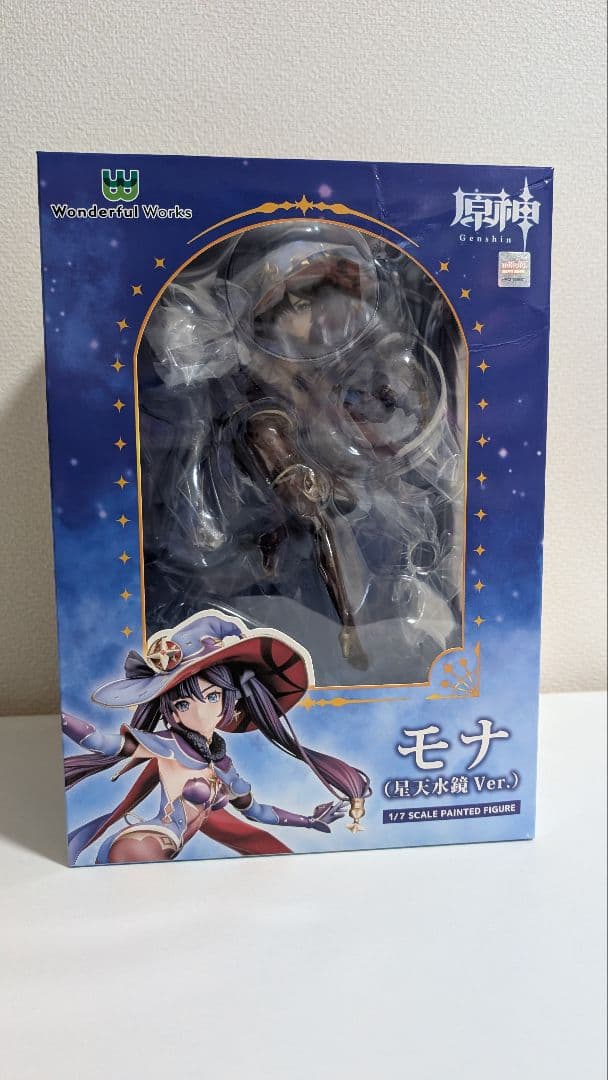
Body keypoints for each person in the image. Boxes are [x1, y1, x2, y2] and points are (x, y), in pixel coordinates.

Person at [63, 611, 371, 864]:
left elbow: (257, 811)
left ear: (231, 701)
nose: (199, 713)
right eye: (183, 704)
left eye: (212, 697)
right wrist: (61, 718)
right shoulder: (169, 744)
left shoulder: (224, 767)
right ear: (173, 713)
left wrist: (308, 821)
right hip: (149, 841)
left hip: (173, 851)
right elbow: (102, 742)